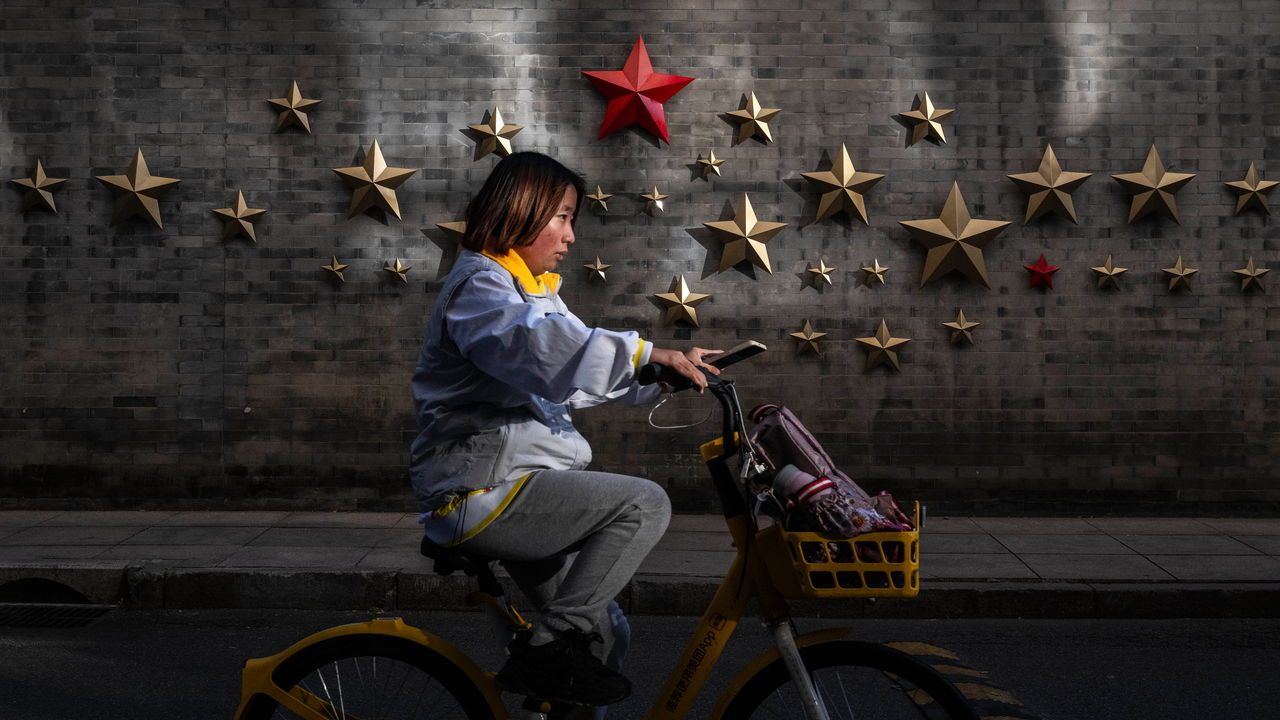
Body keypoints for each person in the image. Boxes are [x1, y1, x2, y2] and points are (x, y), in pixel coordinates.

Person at [408, 151, 721, 713]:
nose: (571, 236)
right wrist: (648, 351)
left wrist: (661, 373)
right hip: (483, 491)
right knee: (643, 504)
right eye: (563, 217)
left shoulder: (531, 290)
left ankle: (552, 657)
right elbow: (540, 347)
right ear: (520, 211)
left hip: (520, 487)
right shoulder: (482, 285)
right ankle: (549, 649)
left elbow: (568, 377)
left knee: (605, 637)